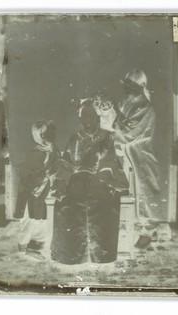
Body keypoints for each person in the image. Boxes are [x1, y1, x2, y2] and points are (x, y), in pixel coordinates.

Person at [50, 99, 129, 264]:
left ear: (98, 116)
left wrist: (104, 176)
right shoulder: (74, 138)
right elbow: (67, 162)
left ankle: (101, 255)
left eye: (90, 115)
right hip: (78, 179)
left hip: (102, 177)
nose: (87, 118)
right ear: (79, 118)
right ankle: (72, 255)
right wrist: (60, 183)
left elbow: (111, 160)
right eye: (83, 115)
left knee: (102, 203)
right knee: (67, 204)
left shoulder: (107, 137)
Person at [114, 69, 164, 248]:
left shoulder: (145, 106)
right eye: (126, 84)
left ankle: (148, 231)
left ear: (142, 86)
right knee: (129, 190)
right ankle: (137, 227)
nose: (127, 88)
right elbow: (117, 122)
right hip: (126, 153)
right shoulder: (126, 101)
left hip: (141, 154)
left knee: (145, 190)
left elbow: (128, 132)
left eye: (132, 85)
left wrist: (113, 128)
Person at [14, 120, 61, 259]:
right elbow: (26, 174)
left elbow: (58, 165)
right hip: (35, 189)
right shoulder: (36, 152)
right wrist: (43, 176)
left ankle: (39, 247)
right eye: (44, 134)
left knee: (44, 218)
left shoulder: (54, 150)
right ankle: (29, 247)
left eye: (50, 133)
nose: (48, 136)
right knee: (33, 217)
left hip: (48, 188)